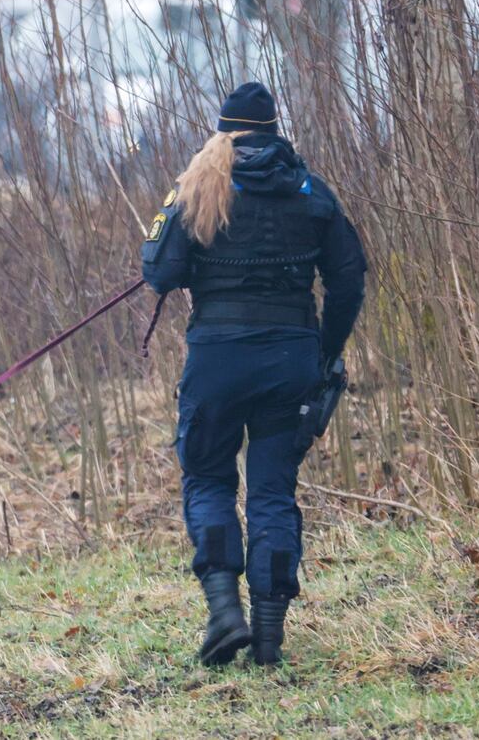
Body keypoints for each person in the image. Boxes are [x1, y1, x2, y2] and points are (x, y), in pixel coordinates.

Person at [141, 82, 367, 667]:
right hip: (290, 359)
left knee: (209, 479)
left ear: (225, 130)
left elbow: (159, 272)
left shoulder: (198, 185)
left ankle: (224, 613)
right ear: (273, 129)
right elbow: (349, 279)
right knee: (271, 493)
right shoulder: (312, 190)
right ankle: (267, 637)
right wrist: (323, 352)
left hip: (216, 359)